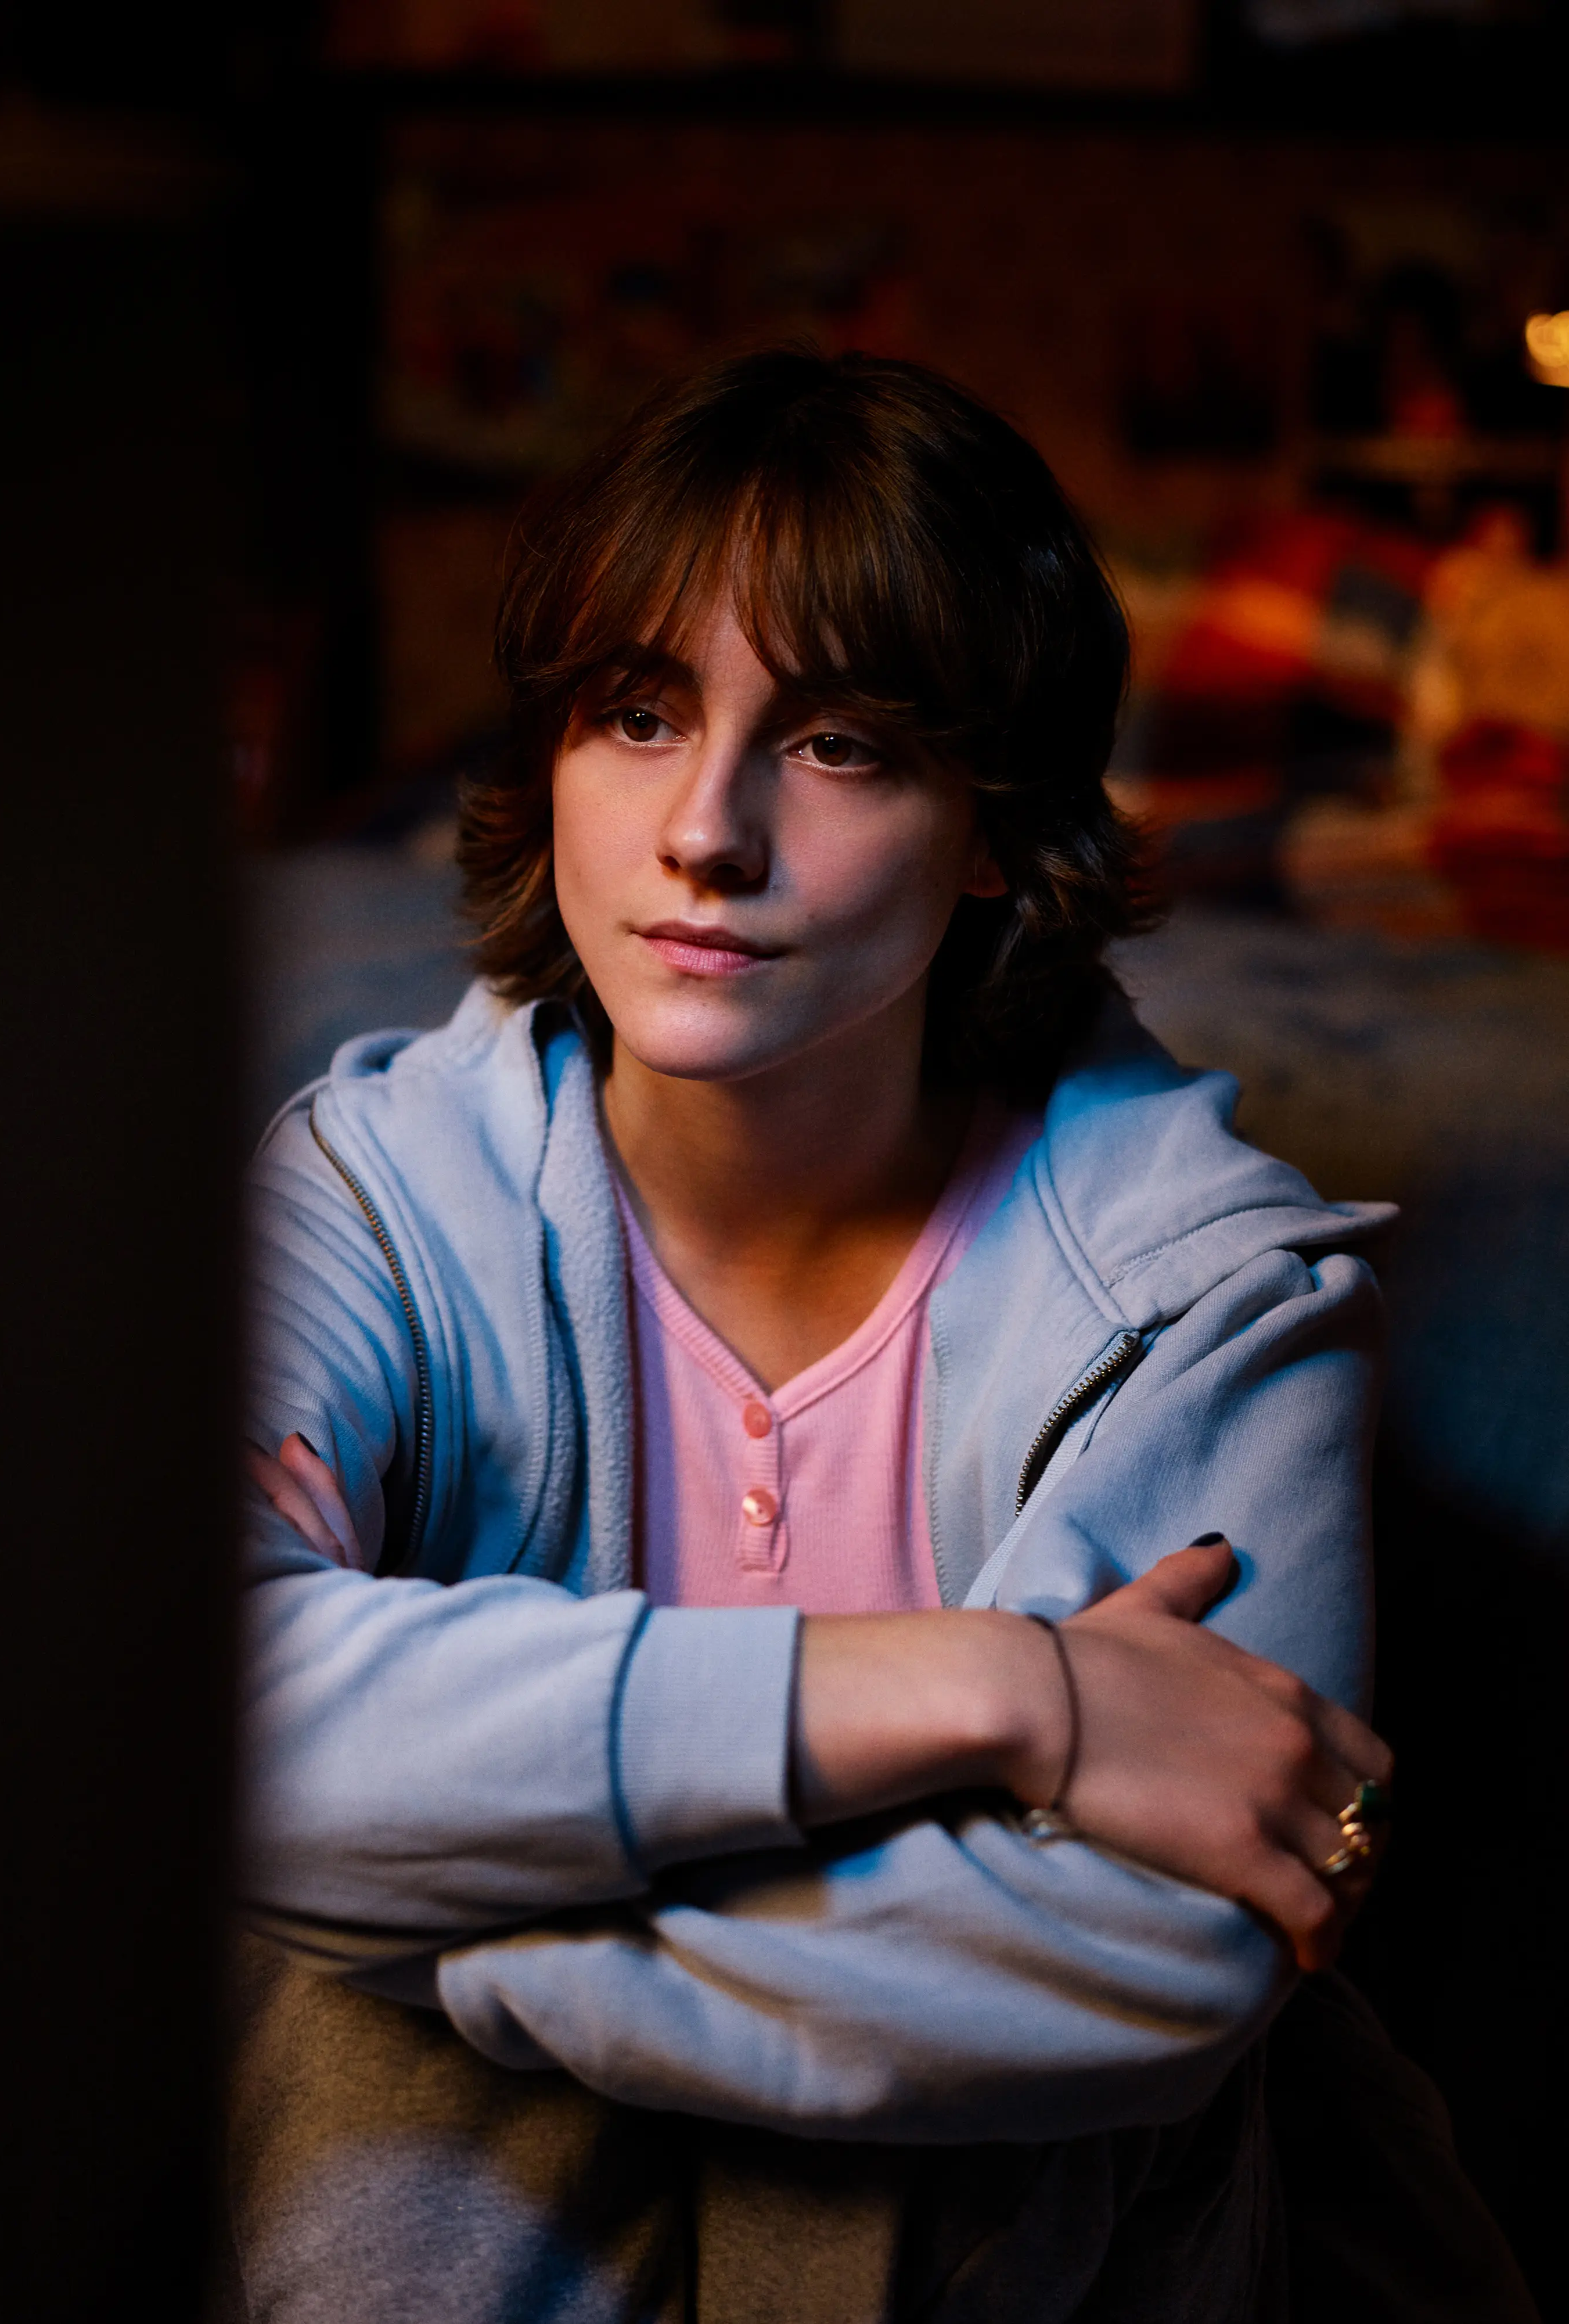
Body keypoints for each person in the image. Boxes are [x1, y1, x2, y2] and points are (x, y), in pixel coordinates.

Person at [224, 351, 1524, 2323]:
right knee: (379, 2098)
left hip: (1038, 2256)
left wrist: (399, 1892)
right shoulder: (375, 1196)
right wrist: (1008, 1693)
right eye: (639, 715)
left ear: (995, 827)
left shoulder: (1211, 1290)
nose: (706, 835)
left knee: (815, 2155)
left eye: (839, 744)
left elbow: (1159, 1952)